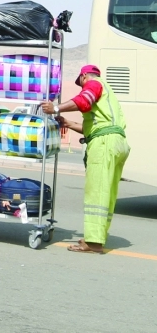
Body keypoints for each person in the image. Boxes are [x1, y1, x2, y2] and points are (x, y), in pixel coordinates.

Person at [41, 65, 131, 254]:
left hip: (104, 144)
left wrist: (55, 108)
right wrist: (68, 123)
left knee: (96, 193)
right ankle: (97, 237)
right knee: (107, 194)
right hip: (117, 142)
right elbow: (94, 126)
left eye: (80, 83)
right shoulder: (108, 93)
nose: (81, 87)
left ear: (84, 76)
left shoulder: (93, 84)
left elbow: (84, 100)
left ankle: (93, 242)